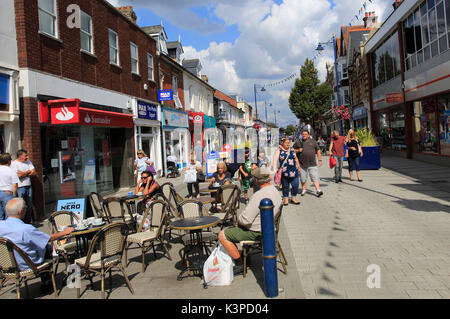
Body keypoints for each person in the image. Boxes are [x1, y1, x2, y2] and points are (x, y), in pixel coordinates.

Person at [218, 167, 282, 274]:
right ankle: (245, 256)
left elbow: (246, 220)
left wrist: (238, 221)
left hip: (257, 231)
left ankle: (239, 264)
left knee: (222, 235)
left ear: (256, 180)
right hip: (269, 229)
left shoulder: (259, 195)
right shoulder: (275, 191)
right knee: (236, 228)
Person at [0, 198, 74, 291]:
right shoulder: (25, 229)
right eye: (26, 207)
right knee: (46, 246)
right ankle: (46, 281)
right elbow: (47, 239)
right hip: (26, 264)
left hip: (6, 266)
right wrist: (64, 232)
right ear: (20, 211)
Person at [273, 137, 301, 206]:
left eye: (289, 142)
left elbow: (296, 158)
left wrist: (298, 166)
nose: (288, 144)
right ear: (282, 143)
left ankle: (293, 197)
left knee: (296, 184)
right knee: (285, 186)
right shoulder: (278, 150)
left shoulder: (292, 150)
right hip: (284, 172)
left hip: (294, 171)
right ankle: (286, 199)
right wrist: (274, 170)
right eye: (286, 143)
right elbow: (275, 160)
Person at [11, 149, 36, 224]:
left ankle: (28, 222)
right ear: (20, 156)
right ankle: (21, 222)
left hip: (28, 185)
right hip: (20, 187)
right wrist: (28, 172)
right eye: (25, 156)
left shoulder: (28, 162)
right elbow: (19, 176)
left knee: (28, 205)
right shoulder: (14, 164)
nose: (27, 157)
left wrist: (24, 173)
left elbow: (34, 172)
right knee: (21, 205)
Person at [296, 130, 324, 197]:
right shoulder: (298, 142)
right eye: (303, 134)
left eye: (305, 134)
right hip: (302, 163)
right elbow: (292, 150)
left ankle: (318, 190)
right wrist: (298, 150)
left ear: (308, 135)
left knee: (314, 177)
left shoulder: (313, 141)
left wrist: (320, 160)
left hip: (312, 163)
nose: (304, 135)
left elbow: (318, 150)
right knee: (303, 178)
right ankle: (304, 189)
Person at [0, 153, 19, 220]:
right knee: (9, 214)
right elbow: (15, 185)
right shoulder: (11, 171)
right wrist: (14, 196)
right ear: (9, 161)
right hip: (7, 193)